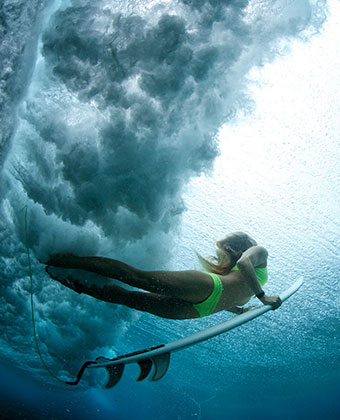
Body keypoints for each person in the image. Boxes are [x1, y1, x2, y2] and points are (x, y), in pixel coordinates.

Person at [45, 231, 282, 320]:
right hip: (210, 287)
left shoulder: (249, 277)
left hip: (200, 310)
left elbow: (234, 294)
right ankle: (66, 259)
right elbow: (243, 263)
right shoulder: (260, 252)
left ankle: (75, 281)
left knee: (127, 298)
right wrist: (263, 297)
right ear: (249, 243)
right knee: (138, 279)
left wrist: (241, 310)